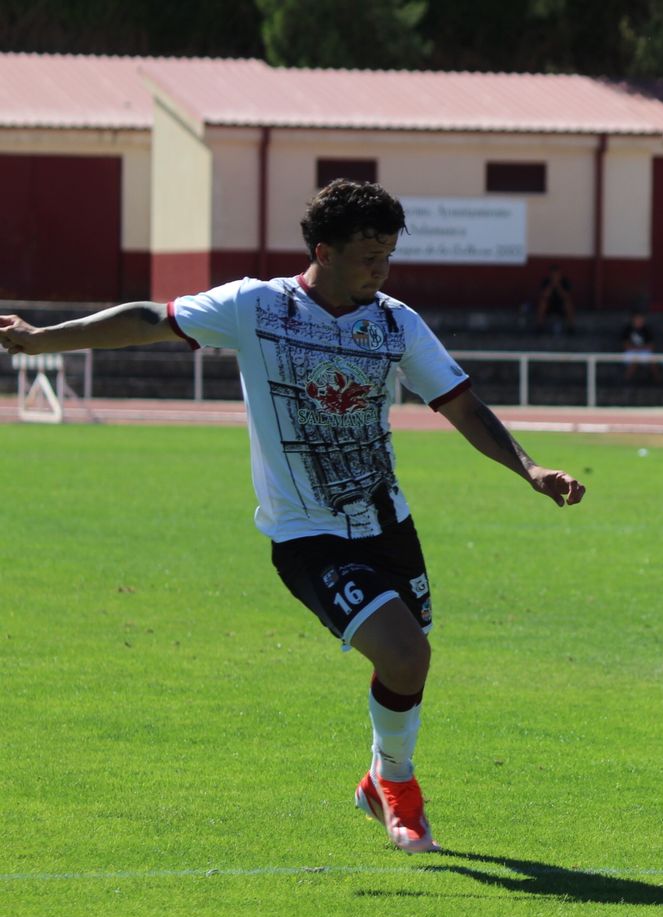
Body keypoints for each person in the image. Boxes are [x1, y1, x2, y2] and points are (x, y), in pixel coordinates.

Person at [0, 180, 587, 853]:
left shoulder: (396, 322)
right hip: (306, 533)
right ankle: (398, 784)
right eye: (368, 255)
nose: (380, 269)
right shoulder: (258, 306)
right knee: (406, 652)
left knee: (408, 667)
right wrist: (43, 340)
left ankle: (376, 781)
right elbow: (146, 318)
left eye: (388, 255)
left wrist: (530, 469)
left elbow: (462, 406)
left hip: (387, 523)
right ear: (322, 250)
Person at [534, 264, 576, 335]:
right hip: (549, 305)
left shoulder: (564, 282)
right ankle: (539, 326)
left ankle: (570, 327)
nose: (554, 276)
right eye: (553, 274)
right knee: (542, 303)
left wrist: (558, 286)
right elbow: (544, 295)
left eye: (556, 274)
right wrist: (551, 286)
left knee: (567, 303)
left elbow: (566, 296)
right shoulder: (546, 282)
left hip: (560, 306)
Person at [620, 311, 656, 384]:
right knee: (634, 360)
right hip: (631, 352)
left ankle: (658, 383)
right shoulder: (627, 330)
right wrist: (636, 349)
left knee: (654, 361)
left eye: (641, 319)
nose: (639, 321)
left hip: (644, 352)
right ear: (633, 319)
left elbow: (651, 345)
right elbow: (625, 345)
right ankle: (625, 384)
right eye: (637, 319)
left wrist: (640, 348)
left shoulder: (647, 330)